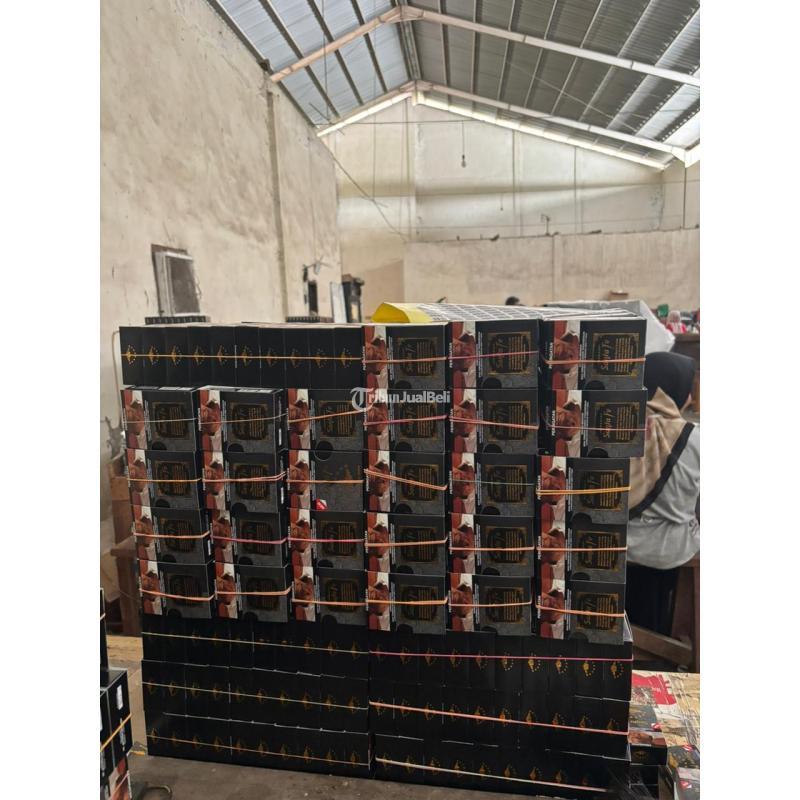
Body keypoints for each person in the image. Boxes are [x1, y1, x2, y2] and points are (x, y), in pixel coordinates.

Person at [626, 351, 700, 635]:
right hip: (669, 553)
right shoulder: (695, 439)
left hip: (614, 549)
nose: (690, 397)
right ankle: (662, 646)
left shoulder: (616, 426)